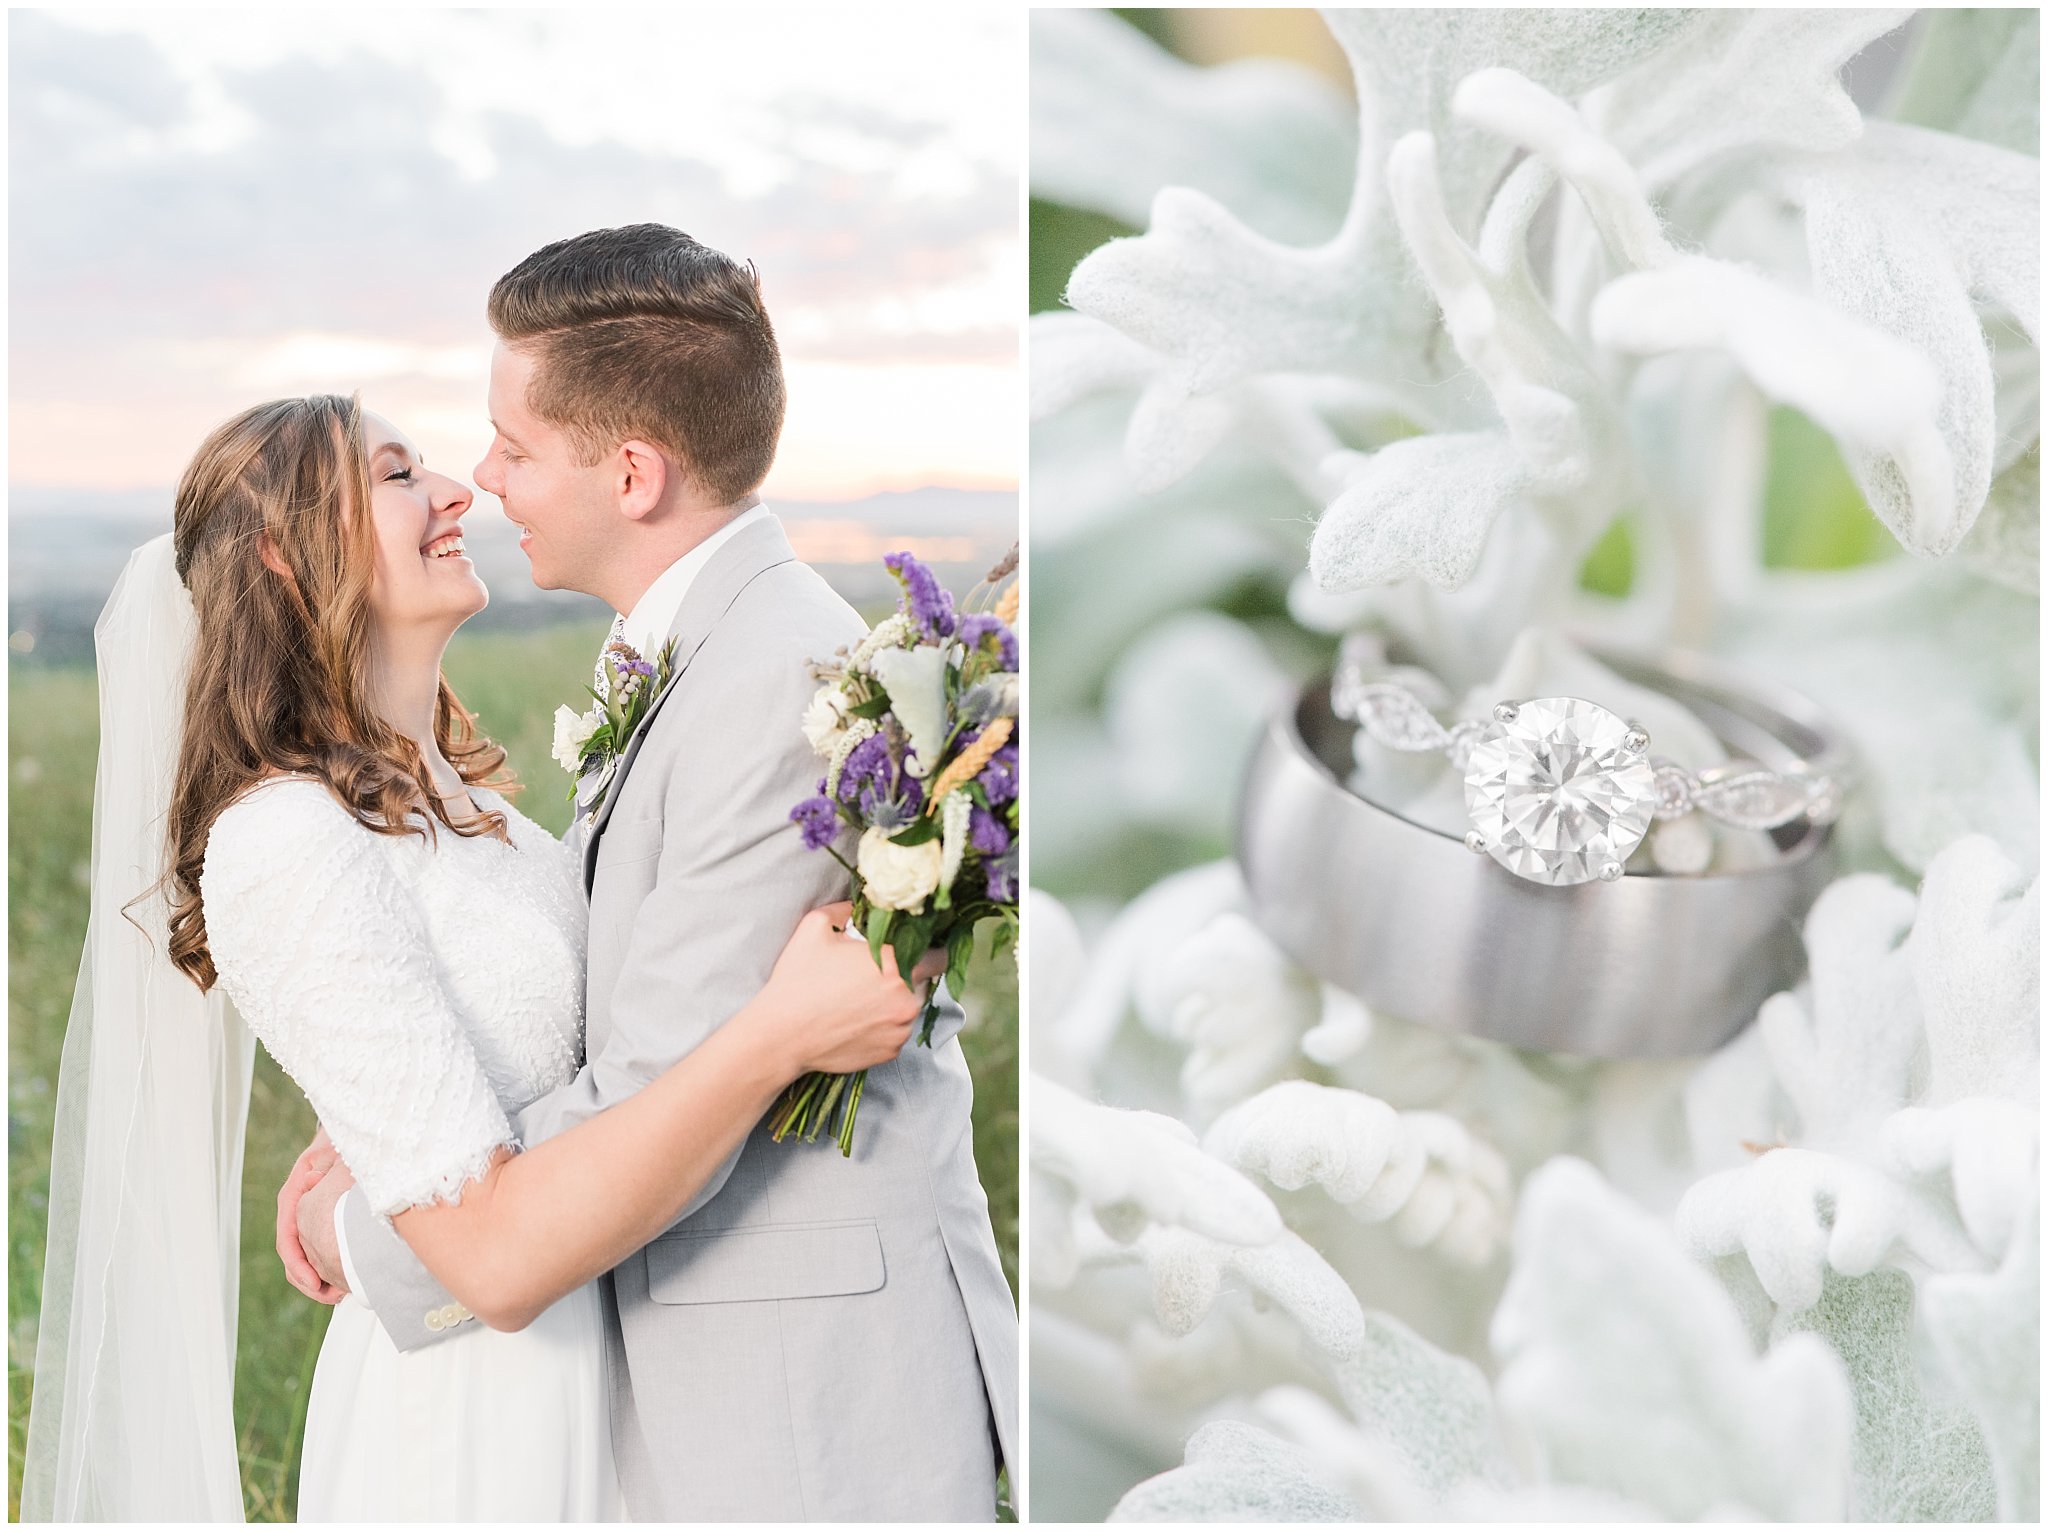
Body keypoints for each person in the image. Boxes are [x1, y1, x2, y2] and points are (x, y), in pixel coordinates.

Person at [25, 392, 941, 1521]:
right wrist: (779, 1033)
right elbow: (490, 1263)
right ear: (280, 553)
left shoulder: (467, 806)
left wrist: (374, 1140)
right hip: (475, 1416)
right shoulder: (284, 836)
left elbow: (523, 1043)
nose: (460, 489)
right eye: (400, 475)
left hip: (605, 1367)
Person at [281, 226, 1017, 1520]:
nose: (484, 475)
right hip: (724, 1375)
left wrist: (389, 1223)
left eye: (513, 440)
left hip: (806, 1405)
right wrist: (405, 1108)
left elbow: (664, 1078)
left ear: (631, 473)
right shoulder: (707, 651)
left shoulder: (775, 688)